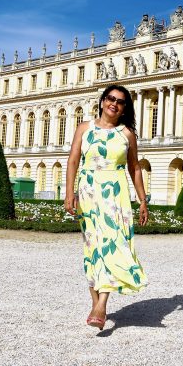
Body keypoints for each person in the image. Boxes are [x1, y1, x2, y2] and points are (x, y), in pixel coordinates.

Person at [65, 84, 149, 330]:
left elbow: (134, 167)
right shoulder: (84, 128)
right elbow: (72, 161)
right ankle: (97, 305)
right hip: (88, 192)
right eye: (110, 98)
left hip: (115, 193)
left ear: (124, 109)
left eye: (120, 101)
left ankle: (101, 305)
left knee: (113, 245)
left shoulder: (127, 134)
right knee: (93, 247)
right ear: (102, 101)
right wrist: (69, 193)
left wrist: (142, 200)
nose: (114, 103)